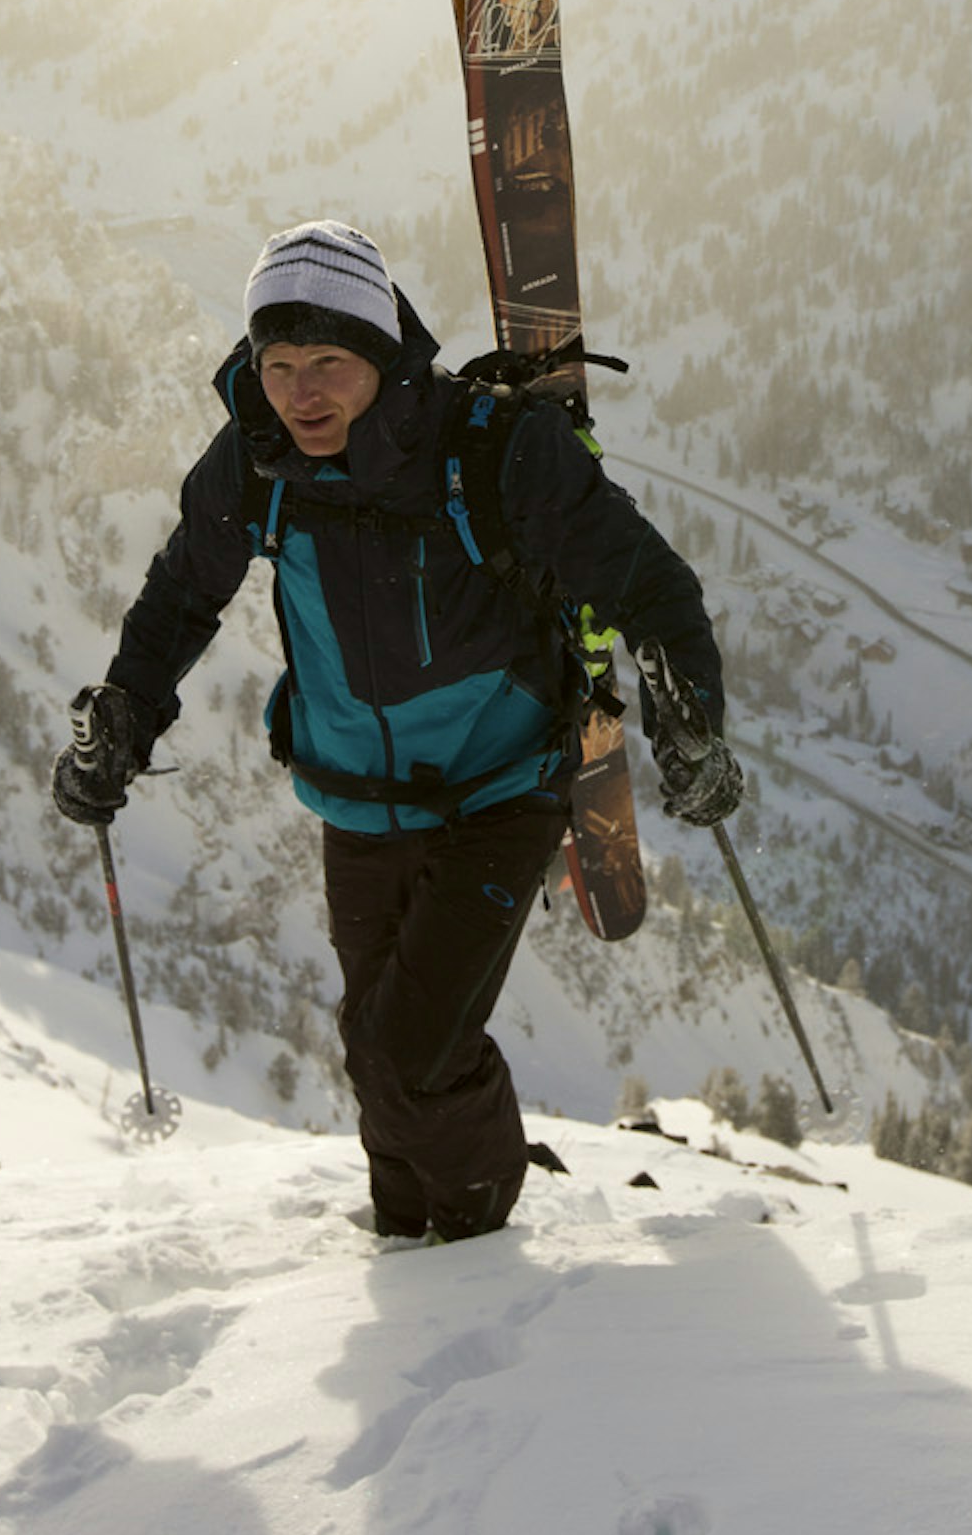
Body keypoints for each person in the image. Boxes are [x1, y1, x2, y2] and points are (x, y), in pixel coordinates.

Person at [53, 219, 741, 1245]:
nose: (301, 392)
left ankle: (481, 1239)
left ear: (380, 351)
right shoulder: (254, 462)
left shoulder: (493, 449)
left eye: (327, 361)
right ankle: (409, 1236)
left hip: (499, 786)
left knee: (404, 1049)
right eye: (277, 364)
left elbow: (647, 583)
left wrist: (690, 720)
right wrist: (124, 714)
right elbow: (178, 597)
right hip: (354, 797)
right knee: (374, 1045)